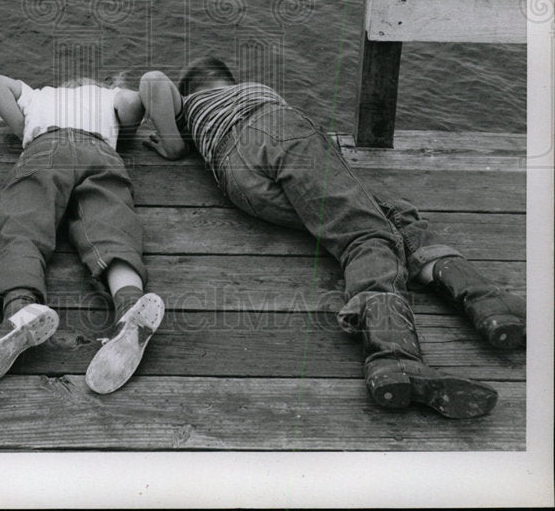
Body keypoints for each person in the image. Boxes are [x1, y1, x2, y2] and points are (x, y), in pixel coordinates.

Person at [138, 57, 526, 419]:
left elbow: (154, 84)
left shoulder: (194, 116)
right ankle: (393, 355)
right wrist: (178, 132)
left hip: (239, 183)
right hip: (275, 130)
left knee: (391, 213)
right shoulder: (244, 93)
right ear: (226, 80)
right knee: (363, 233)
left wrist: (174, 144)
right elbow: (153, 80)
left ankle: (487, 305)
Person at [0, 72, 164, 395]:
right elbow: (132, 102)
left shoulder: (38, 94)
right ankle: (129, 305)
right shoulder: (106, 97)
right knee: (111, 227)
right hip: (100, 151)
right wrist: (118, 103)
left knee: (24, 227)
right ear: (95, 85)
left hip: (45, 146)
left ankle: (19, 307)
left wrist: (24, 130)